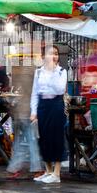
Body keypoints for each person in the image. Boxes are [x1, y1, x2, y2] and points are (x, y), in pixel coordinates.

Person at [30, 45, 67, 184]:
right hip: (42, 106)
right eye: (51, 54)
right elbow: (34, 93)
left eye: (56, 54)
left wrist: (51, 72)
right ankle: (48, 171)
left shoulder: (61, 71)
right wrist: (33, 111)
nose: (54, 56)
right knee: (43, 138)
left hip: (56, 105)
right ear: (43, 57)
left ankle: (56, 174)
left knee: (56, 138)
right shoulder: (38, 72)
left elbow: (59, 90)